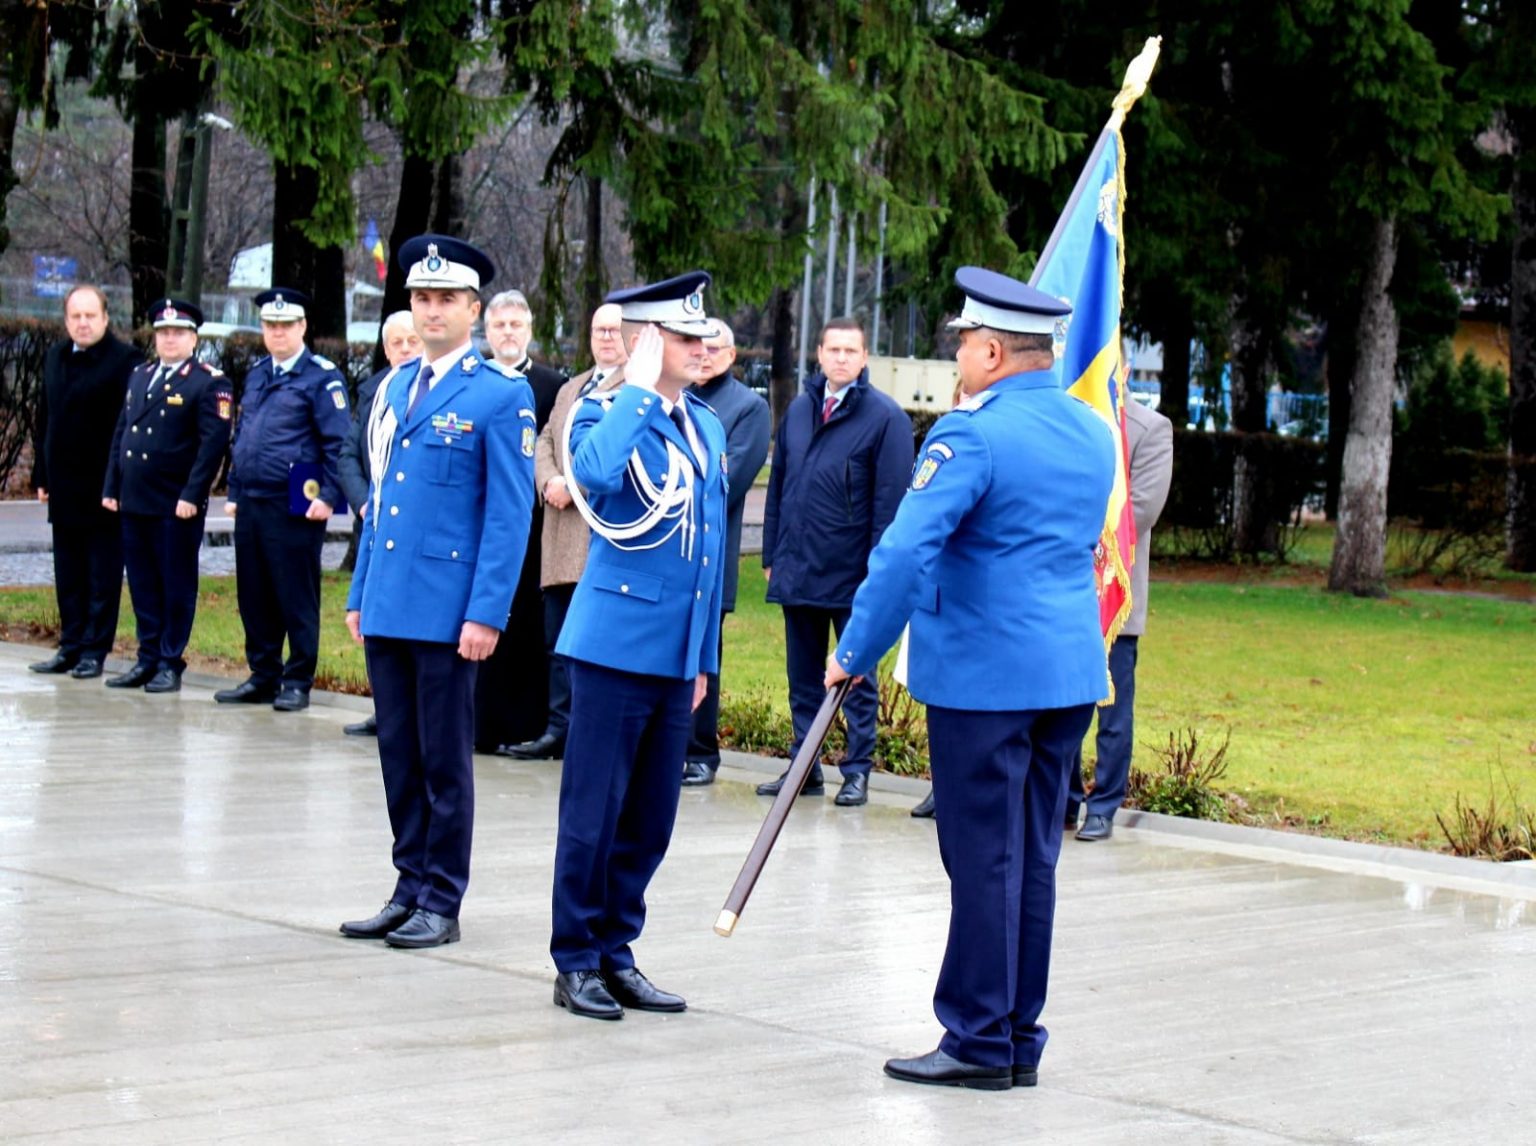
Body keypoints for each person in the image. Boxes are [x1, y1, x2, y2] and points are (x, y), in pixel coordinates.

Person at [824, 267, 1115, 1090]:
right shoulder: (1093, 431)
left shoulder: (969, 434)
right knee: (1030, 859)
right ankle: (1018, 1034)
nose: (957, 356)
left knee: (984, 858)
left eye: (962, 343)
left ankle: (978, 1038)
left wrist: (855, 651)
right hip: (1064, 672)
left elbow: (907, 551)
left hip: (986, 677)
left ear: (991, 350)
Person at [339, 235, 536, 949]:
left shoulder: (499, 394)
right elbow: (383, 501)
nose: (430, 310)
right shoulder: (396, 386)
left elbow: (509, 517)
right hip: (392, 600)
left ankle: (442, 898)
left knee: (444, 760)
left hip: (450, 611)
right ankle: (406, 884)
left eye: (445, 299)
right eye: (421, 298)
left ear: (473, 309)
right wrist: (361, 589)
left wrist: (486, 612)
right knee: (398, 754)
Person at [548, 271, 727, 1021]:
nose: (701, 345)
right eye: (684, 336)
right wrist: (637, 389)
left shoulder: (706, 425)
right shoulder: (604, 410)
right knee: (595, 811)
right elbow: (590, 477)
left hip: (675, 652)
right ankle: (576, 959)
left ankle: (618, 949)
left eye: (701, 333)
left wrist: (705, 659)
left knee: (651, 817)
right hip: (616, 643)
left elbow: (711, 548)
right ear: (650, 342)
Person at [758, 317, 913, 807]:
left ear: (865, 358)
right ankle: (804, 769)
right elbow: (779, 487)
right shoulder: (800, 411)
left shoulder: (886, 419)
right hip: (800, 567)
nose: (842, 358)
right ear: (819, 354)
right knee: (802, 679)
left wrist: (877, 573)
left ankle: (857, 771)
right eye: (834, 349)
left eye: (852, 350)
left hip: (854, 575)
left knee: (855, 678)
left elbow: (889, 504)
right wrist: (771, 556)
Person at [214, 288, 350, 712]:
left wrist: (329, 496)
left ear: (303, 327)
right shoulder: (257, 373)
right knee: (254, 593)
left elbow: (338, 443)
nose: (277, 332)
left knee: (295, 593)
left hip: (296, 498)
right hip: (253, 497)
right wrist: (234, 489)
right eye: (270, 325)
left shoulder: (321, 376)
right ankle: (263, 673)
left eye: (285, 325)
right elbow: (244, 435)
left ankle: (297, 680)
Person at [504, 302, 628, 761]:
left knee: (593, 644)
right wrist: (548, 480)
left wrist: (574, 486)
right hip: (557, 534)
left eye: (615, 330)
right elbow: (544, 440)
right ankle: (559, 727)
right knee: (557, 639)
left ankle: (590, 733)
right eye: (599, 330)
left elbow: (615, 452)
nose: (606, 338)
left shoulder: (635, 389)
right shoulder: (572, 386)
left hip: (598, 533)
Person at [100, 298, 232, 694]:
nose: (169, 339)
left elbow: (213, 445)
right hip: (135, 497)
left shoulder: (207, 381)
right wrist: (111, 486)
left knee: (174, 583)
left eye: (178, 333)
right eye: (163, 333)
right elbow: (122, 434)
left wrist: (194, 494)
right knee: (142, 582)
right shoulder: (141, 375)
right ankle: (148, 655)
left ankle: (170, 660)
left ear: (193, 338)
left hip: (175, 502)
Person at [1066, 397, 1174, 840]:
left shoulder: (1150, 429)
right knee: (1061, 705)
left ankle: (1104, 804)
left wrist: (1069, 527)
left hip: (1116, 596)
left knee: (1112, 711)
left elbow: (1141, 510)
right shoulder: (1064, 415)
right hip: (1062, 596)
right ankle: (1063, 800)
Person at [29, 285, 140, 680]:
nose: (83, 323)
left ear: (106, 318)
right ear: (66, 320)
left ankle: (95, 649)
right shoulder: (55, 357)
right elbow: (46, 417)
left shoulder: (126, 361)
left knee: (101, 575)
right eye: (75, 316)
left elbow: (129, 428)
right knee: (69, 572)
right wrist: (41, 473)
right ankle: (70, 644)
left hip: (105, 488)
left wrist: (119, 482)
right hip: (64, 485)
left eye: (90, 315)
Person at [475, 289, 568, 754]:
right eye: (499, 326)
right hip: (479, 524)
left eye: (516, 325)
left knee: (528, 627)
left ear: (529, 330)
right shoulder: (474, 381)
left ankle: (526, 724)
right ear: (486, 332)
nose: (508, 333)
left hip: (535, 528)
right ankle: (481, 723)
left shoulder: (553, 387)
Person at [680, 319, 770, 786]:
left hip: (709, 556)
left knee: (702, 656)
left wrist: (670, 485)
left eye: (715, 348)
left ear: (732, 356)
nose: (705, 355)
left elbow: (726, 481)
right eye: (697, 346)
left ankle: (700, 751)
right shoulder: (677, 399)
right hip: (666, 552)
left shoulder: (747, 408)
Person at [336, 310, 423, 737]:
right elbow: (349, 454)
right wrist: (364, 503)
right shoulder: (373, 392)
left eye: (413, 341)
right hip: (375, 522)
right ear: (386, 349)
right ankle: (382, 707)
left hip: (415, 531)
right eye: (397, 343)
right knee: (374, 620)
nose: (405, 349)